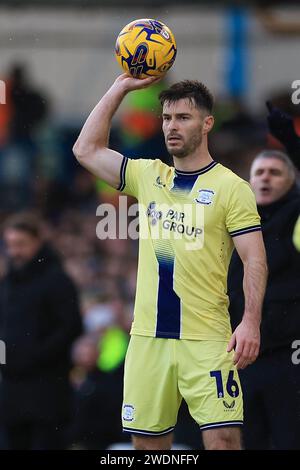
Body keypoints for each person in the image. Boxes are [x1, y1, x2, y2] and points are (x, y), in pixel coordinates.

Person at [73, 74, 268, 450]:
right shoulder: (149, 175)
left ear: (207, 123)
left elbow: (254, 258)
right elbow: (85, 149)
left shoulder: (232, 188)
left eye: (183, 117)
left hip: (208, 339)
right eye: (166, 118)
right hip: (148, 338)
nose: (171, 127)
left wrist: (251, 322)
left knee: (224, 440)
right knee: (147, 447)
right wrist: (120, 88)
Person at [228, 150, 300, 449]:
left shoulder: (296, 215)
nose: (265, 177)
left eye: (275, 172)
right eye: (259, 172)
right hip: (241, 359)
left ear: (292, 181)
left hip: (289, 356)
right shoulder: (232, 222)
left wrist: (291, 143)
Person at [0, 213, 82, 449]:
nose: (14, 251)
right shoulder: (8, 284)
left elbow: (70, 327)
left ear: (37, 242)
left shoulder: (57, 280)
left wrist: (34, 356)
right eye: (10, 245)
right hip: (12, 390)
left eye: (21, 244)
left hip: (47, 391)